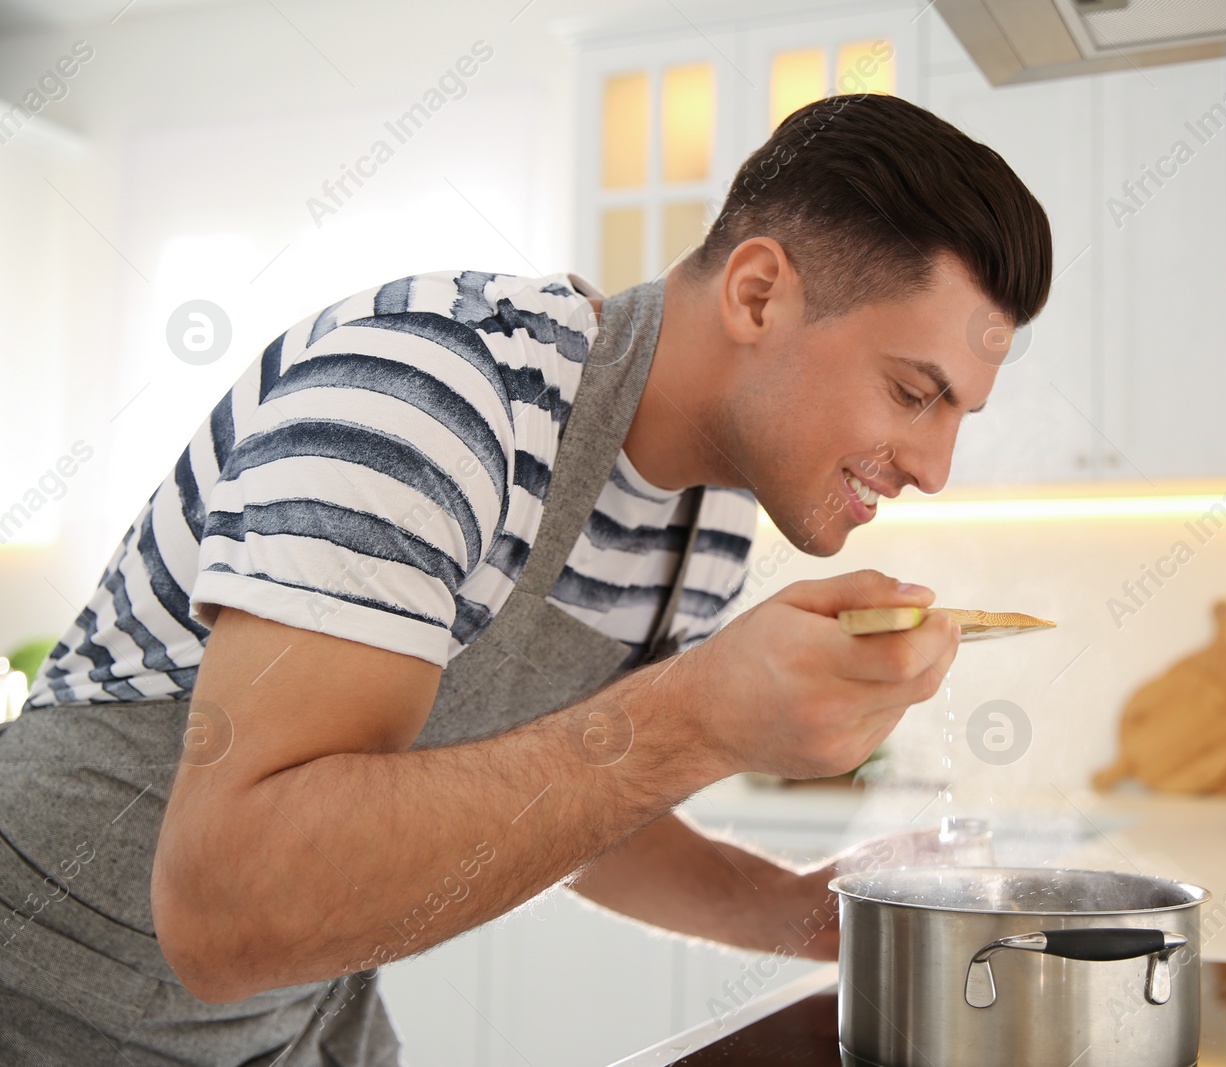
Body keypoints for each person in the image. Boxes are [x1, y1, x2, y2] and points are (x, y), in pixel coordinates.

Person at [0, 91, 1052, 1064]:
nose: (933, 467)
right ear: (759, 291)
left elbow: (560, 795)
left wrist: (801, 913)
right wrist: (695, 719)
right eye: (915, 393)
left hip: (290, 1030)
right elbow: (229, 906)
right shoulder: (432, 391)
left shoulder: (710, 519)